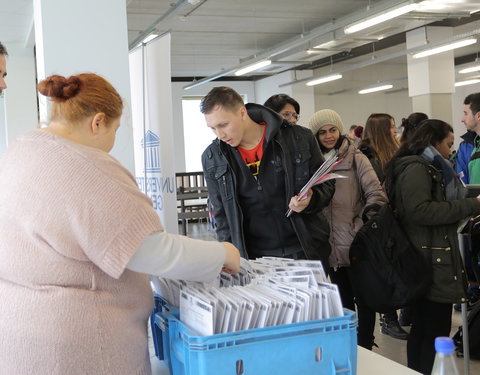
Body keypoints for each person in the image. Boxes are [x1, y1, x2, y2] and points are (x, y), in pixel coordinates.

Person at [0, 73, 240, 375]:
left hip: (20, 335)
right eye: (115, 130)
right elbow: (148, 248)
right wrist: (222, 254)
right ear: (98, 122)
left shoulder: (23, 149)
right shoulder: (83, 167)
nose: (112, 143)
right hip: (78, 346)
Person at [201, 86, 335, 270]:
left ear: (242, 112)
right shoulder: (213, 157)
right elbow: (222, 214)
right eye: (213, 128)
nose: (220, 135)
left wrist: (312, 199)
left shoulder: (298, 138)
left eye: (224, 125)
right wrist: (228, 254)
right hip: (253, 258)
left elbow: (327, 184)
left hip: (305, 250)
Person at [384, 119, 480, 375]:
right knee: (432, 331)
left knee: (425, 329)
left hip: (430, 257)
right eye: (448, 145)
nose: (450, 151)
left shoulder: (426, 166)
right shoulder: (417, 168)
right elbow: (420, 211)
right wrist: (473, 205)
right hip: (428, 260)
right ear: (435, 142)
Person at [307, 109, 387, 349]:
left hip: (355, 242)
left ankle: (365, 345)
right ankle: (349, 346)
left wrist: (364, 223)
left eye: (332, 130)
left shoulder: (356, 158)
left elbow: (376, 193)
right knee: (341, 301)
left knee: (364, 299)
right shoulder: (313, 162)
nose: (329, 136)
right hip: (327, 244)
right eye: (322, 132)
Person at [359, 112, 407, 340]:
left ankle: (396, 314)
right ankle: (389, 318)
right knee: (384, 270)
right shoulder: (367, 156)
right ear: (381, 130)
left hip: (393, 218)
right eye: (391, 127)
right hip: (378, 222)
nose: (395, 130)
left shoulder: (392, 152)